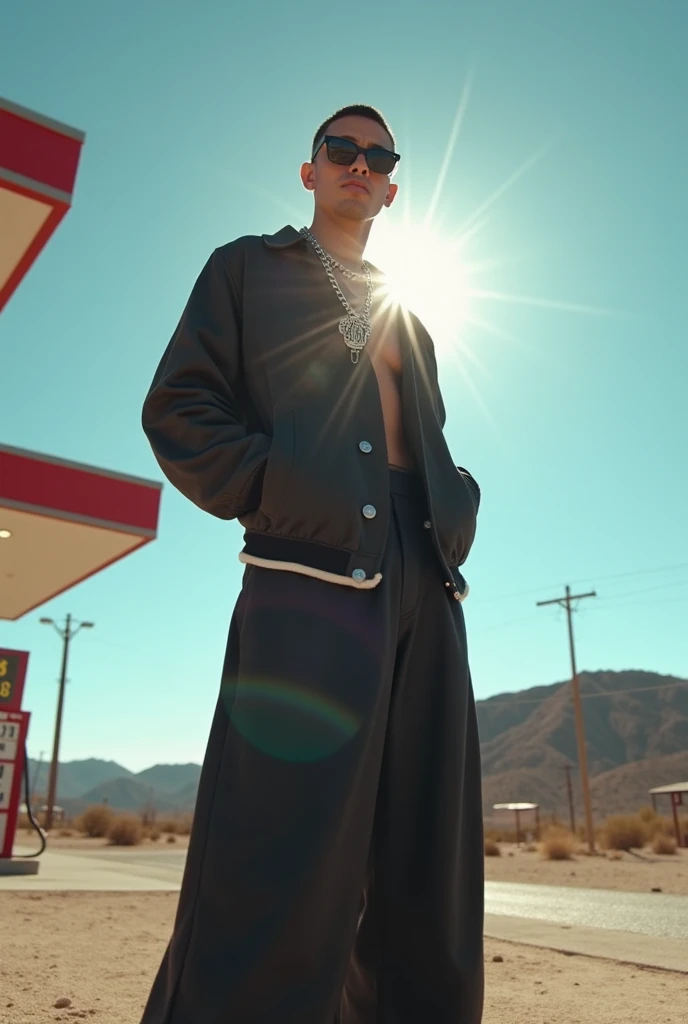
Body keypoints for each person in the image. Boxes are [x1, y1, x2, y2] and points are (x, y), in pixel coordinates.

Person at [139, 103, 484, 1024]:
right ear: (311, 169)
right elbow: (179, 411)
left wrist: (456, 502)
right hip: (309, 581)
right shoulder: (250, 269)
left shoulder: (409, 315)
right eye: (342, 148)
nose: (359, 164)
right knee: (280, 852)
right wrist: (283, 490)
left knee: (429, 868)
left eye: (378, 155)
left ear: (394, 184)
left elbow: (429, 437)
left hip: (427, 583)